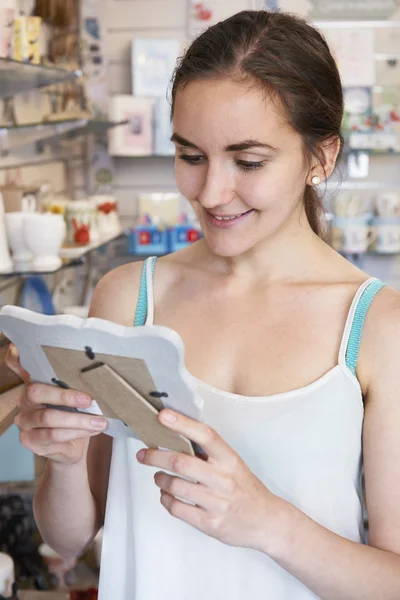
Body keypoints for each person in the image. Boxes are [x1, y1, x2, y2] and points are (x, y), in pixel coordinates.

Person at [6, 9, 400, 600]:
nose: (212, 193)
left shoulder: (375, 326)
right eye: (191, 156)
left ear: (320, 158)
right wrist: (61, 460)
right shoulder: (128, 298)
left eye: (249, 162)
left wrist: (266, 522)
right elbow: (69, 539)